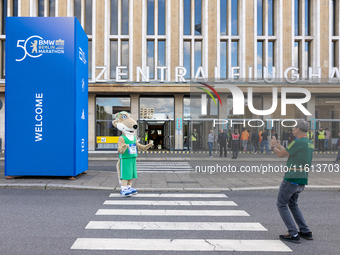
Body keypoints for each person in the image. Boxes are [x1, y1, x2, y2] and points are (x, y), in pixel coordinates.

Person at [271, 120, 313, 244]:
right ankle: (305, 231)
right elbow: (287, 152)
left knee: (282, 204)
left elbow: (280, 155)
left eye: (294, 128)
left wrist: (273, 146)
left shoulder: (298, 142)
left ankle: (293, 233)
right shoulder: (308, 143)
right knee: (293, 205)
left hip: (291, 179)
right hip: (302, 179)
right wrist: (279, 145)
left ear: (299, 129)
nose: (292, 130)